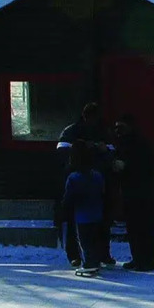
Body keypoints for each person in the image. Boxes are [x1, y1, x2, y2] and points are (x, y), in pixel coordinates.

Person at [55, 102, 113, 268]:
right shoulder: (79, 131)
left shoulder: (73, 131)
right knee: (91, 222)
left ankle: (91, 255)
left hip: (90, 180)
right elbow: (63, 152)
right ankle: (85, 255)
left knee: (88, 223)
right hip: (93, 179)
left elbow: (61, 152)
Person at [112, 114, 154, 271]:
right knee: (137, 227)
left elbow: (142, 168)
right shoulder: (134, 143)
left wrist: (125, 168)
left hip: (138, 191)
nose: (117, 131)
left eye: (121, 127)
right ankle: (141, 258)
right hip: (135, 191)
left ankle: (145, 259)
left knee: (141, 227)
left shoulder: (136, 145)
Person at [57, 141, 107, 277]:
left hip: (82, 214)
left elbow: (69, 198)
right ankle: (95, 260)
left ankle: (88, 263)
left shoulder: (73, 177)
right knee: (95, 239)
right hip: (97, 212)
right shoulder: (97, 175)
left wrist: (63, 210)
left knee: (84, 240)